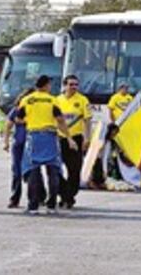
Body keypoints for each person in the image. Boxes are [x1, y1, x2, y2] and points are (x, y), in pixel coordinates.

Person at [19, 75, 77, 215]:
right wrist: (69, 138)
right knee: (53, 170)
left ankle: (33, 205)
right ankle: (51, 204)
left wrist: (31, 121)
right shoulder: (53, 100)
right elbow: (60, 120)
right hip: (50, 137)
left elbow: (18, 118)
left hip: (34, 137)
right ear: (45, 85)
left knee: (33, 170)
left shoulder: (27, 100)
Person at [56, 74, 91, 209]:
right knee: (56, 170)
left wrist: (87, 138)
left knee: (75, 170)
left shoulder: (82, 100)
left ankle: (69, 195)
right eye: (71, 84)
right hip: (60, 138)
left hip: (76, 138)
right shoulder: (57, 100)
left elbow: (87, 121)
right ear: (65, 86)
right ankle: (66, 196)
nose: (73, 87)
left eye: (76, 85)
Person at [4, 89, 32, 208]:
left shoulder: (36, 110)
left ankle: (37, 197)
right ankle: (14, 198)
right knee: (16, 172)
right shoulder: (16, 110)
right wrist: (6, 142)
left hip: (32, 144)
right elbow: (8, 126)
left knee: (32, 172)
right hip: (18, 145)